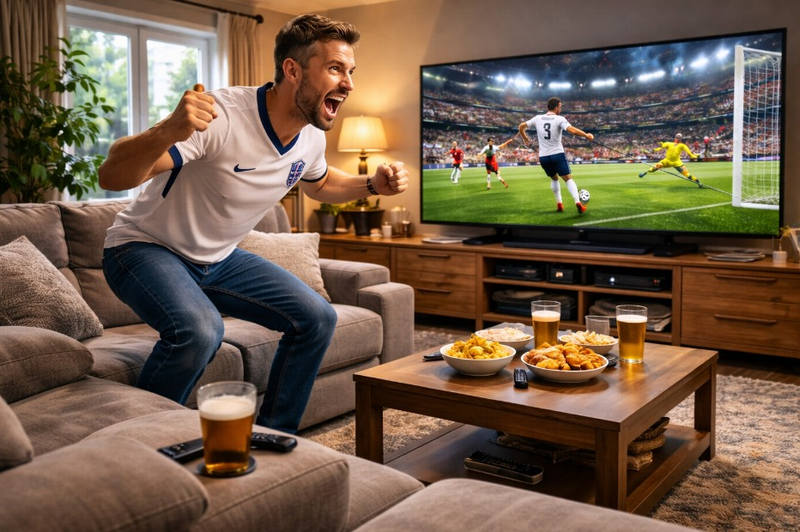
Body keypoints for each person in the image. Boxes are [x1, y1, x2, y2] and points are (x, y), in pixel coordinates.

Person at [96, 14, 408, 434]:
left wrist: (371, 183)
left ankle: (275, 434)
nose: (349, 83)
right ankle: (138, 440)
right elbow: (113, 176)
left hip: (218, 259)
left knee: (317, 318)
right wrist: (169, 128)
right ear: (293, 70)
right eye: (336, 69)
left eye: (351, 71)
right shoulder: (223, 116)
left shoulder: (312, 135)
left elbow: (319, 183)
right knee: (201, 330)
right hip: (144, 249)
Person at [518, 97, 593, 213]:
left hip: (543, 157)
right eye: (560, 106)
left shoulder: (537, 118)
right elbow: (572, 130)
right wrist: (586, 135)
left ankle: (559, 204)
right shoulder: (559, 119)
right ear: (557, 106)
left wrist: (525, 139)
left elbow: (521, 126)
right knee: (568, 179)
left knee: (554, 179)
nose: (560, 108)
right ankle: (578, 203)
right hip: (557, 153)